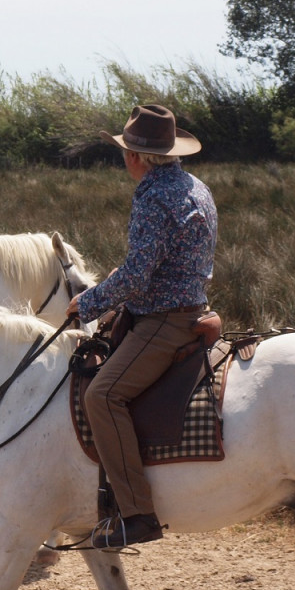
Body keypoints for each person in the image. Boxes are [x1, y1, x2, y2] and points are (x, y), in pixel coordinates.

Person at [66, 105, 217, 550]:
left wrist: (88, 301)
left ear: (135, 157)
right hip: (191, 306)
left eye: (125, 152)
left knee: (103, 395)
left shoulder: (153, 195)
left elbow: (137, 277)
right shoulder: (196, 186)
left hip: (164, 319)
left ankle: (136, 513)